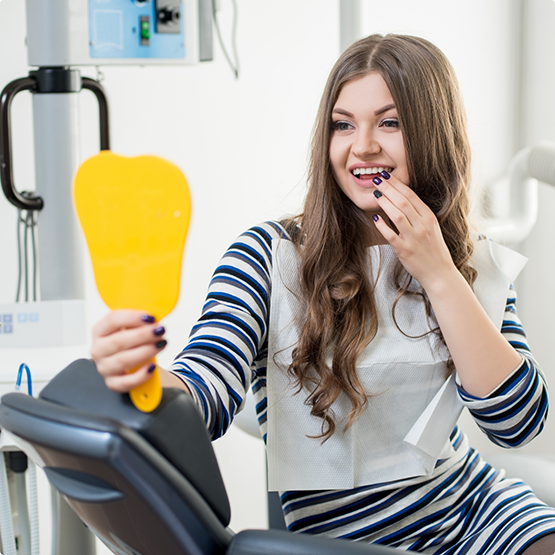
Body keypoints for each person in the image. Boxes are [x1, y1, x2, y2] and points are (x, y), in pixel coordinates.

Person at [90, 34, 555, 554]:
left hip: (481, 515)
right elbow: (208, 387)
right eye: (343, 124)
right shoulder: (268, 255)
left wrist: (440, 275)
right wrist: (145, 379)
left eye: (391, 122)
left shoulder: (470, 261)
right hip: (344, 544)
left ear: (433, 135)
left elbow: (518, 422)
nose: (362, 146)